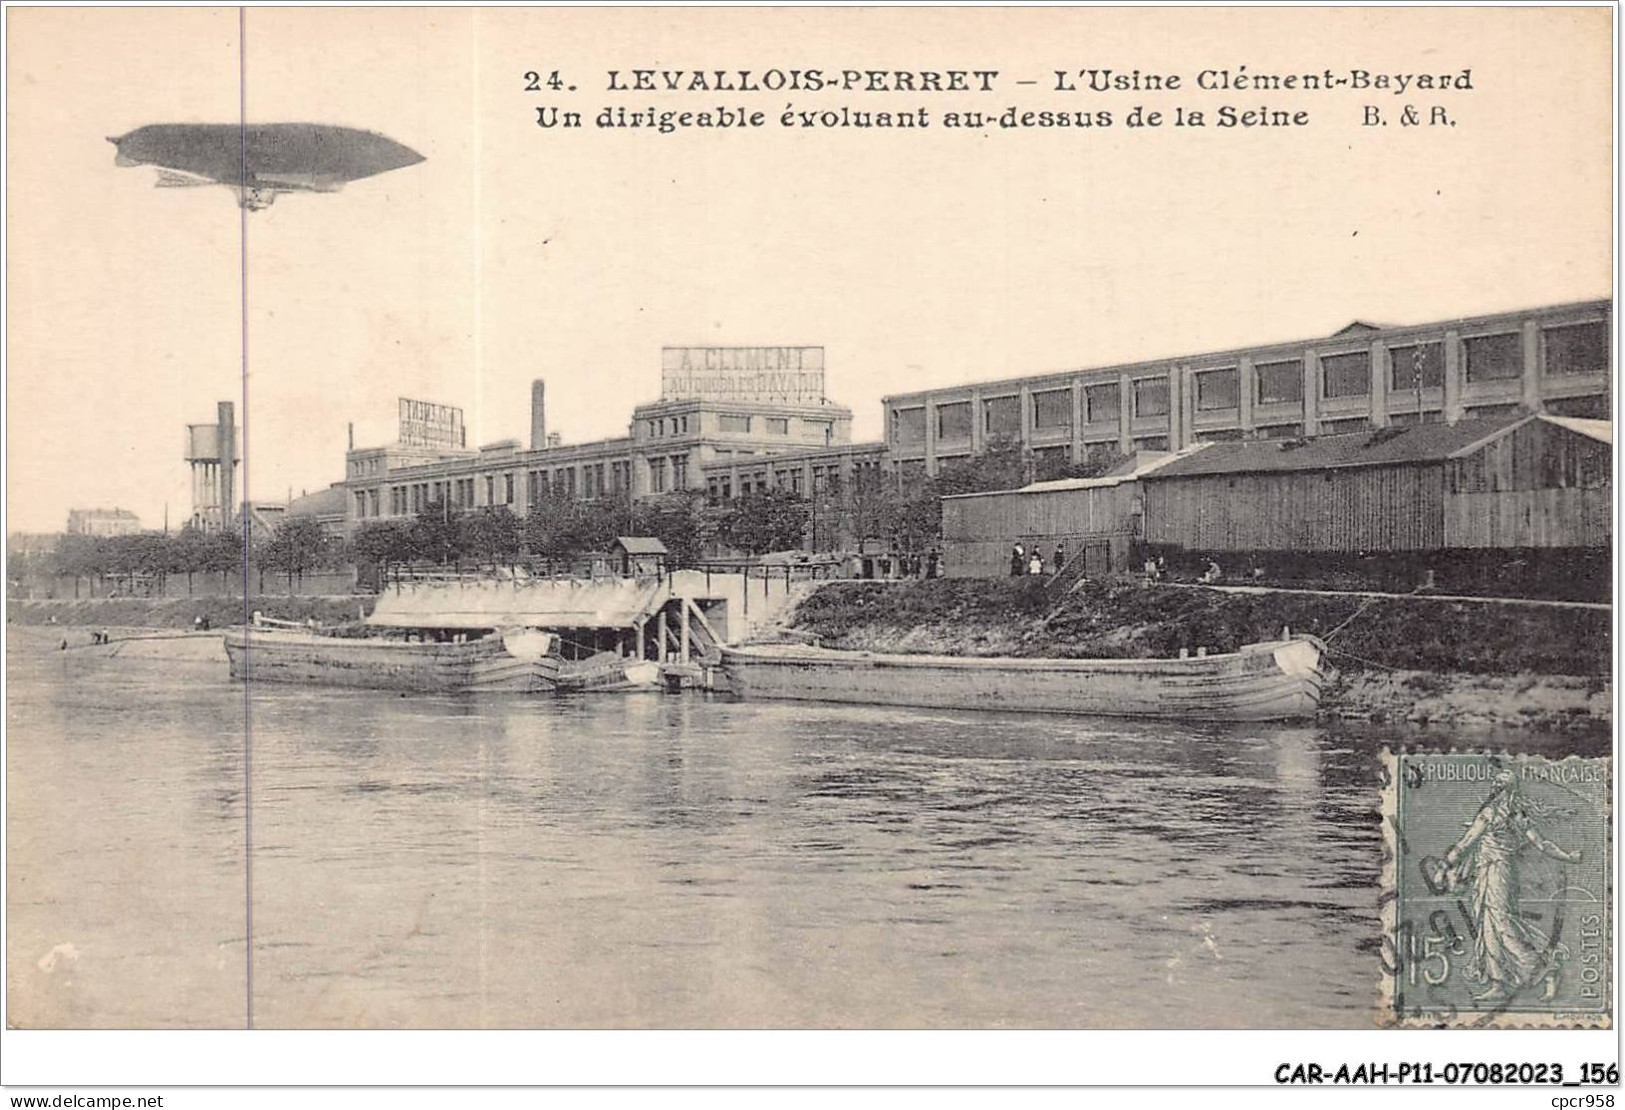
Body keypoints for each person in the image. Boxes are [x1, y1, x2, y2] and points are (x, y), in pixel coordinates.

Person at [1431, 768, 1581, 1003]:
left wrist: (1442, 868)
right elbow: (1542, 844)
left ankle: (1546, 968)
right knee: (1491, 926)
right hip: (1495, 874)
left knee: (1500, 924)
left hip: (1495, 873)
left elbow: (1466, 843)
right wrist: (1568, 856)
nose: (1496, 789)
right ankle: (1499, 982)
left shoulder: (1493, 814)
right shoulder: (1515, 814)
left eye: (1498, 785)